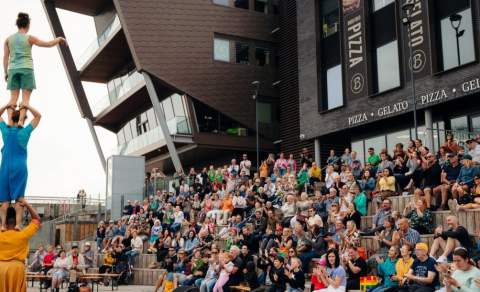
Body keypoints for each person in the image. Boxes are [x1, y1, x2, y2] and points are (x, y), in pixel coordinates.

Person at [3, 12, 67, 126]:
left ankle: (9, 121)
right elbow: (47, 44)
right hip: (27, 69)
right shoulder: (30, 38)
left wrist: (5, 72)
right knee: (25, 100)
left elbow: (5, 57)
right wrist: (59, 39)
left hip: (12, 70)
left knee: (13, 99)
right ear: (27, 25)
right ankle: (21, 122)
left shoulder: (8, 39)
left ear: (18, 24)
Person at [0, 103, 41, 231]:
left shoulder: (6, 131)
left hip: (5, 167)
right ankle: (18, 224)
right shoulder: (24, 132)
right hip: (20, 167)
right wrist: (27, 106)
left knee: (4, 200)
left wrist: (7, 105)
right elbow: (38, 116)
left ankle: (2, 225)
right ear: (22, 119)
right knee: (19, 199)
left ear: (10, 118)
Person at [0, 199, 40, 292]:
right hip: (17, 269)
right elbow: (37, 220)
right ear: (17, 219)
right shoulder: (23, 234)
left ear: (3, 220)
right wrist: (27, 204)